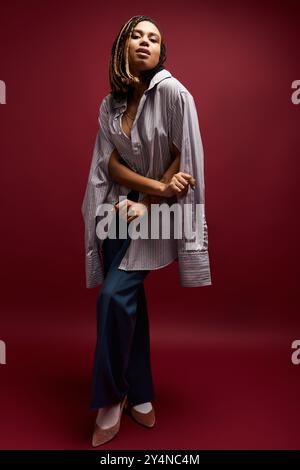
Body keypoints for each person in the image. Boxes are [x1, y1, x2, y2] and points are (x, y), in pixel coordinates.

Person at [81, 14, 212, 447]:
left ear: (160, 52)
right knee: (129, 299)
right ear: (122, 47)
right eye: (136, 35)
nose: (144, 42)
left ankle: (110, 397)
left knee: (114, 297)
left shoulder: (174, 93)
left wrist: (150, 201)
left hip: (157, 214)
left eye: (153, 38)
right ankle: (140, 391)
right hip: (118, 212)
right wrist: (148, 188)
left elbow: (184, 155)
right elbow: (111, 164)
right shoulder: (110, 105)